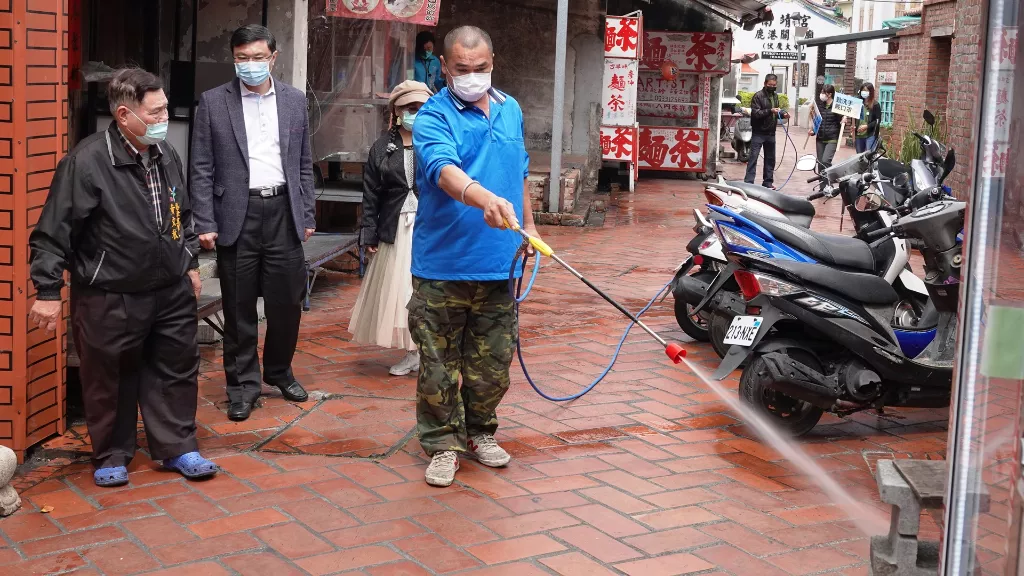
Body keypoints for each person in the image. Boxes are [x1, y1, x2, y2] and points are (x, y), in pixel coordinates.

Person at [28, 68, 217, 487]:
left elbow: (180, 214)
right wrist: (47, 291)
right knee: (108, 376)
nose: (165, 118)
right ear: (124, 115)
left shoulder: (166, 153)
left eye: (165, 108)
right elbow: (52, 231)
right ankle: (112, 454)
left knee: (175, 370)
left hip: (170, 289)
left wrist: (189, 262)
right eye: (156, 112)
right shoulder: (87, 162)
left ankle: (178, 447)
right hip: (109, 292)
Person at [411, 25, 539, 487]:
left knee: (492, 363)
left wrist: (530, 226)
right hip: (442, 266)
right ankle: (442, 443)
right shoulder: (433, 116)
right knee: (438, 364)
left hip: (499, 264)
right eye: (462, 68)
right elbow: (443, 171)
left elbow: (520, 171)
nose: (472, 75)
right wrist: (483, 198)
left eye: (480, 67)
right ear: (444, 67)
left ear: (493, 63)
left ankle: (481, 431)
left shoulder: (511, 109)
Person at [190, 24, 316, 422]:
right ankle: (242, 386)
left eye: (258, 57)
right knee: (239, 306)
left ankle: (279, 371)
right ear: (233, 58)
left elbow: (303, 162)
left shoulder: (294, 100)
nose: (250, 65)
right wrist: (204, 220)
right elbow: (201, 167)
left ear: (273, 58)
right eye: (242, 58)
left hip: (283, 211)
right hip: (235, 215)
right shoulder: (214, 102)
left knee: (287, 303)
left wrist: (307, 212)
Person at [349, 80, 433, 376]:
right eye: (409, 108)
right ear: (396, 111)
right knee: (401, 290)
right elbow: (371, 194)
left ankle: (433, 351)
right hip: (396, 229)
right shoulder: (382, 148)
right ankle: (413, 352)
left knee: (432, 289)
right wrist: (369, 232)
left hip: (431, 228)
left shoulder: (436, 141)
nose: (414, 113)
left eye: (420, 108)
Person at [745, 74, 789, 188]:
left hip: (771, 133)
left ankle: (768, 182)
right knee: (753, 158)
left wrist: (783, 114)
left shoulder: (775, 96)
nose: (772, 87)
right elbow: (756, 113)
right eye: (770, 85)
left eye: (774, 85)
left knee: (770, 159)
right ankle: (749, 183)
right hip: (758, 132)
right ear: (765, 84)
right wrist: (770, 111)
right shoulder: (758, 96)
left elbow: (776, 112)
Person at [810, 84, 845, 169]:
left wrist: (843, 120)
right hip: (820, 138)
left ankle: (829, 176)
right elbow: (817, 122)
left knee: (825, 161)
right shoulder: (820, 105)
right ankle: (822, 178)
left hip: (832, 138)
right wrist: (813, 131)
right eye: (821, 92)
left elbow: (841, 122)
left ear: (829, 94)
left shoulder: (837, 107)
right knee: (820, 163)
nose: (821, 94)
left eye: (823, 92)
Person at [856, 82, 882, 153]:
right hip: (859, 135)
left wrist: (867, 126)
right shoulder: (858, 103)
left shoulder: (875, 105)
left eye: (866, 90)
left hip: (870, 135)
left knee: (869, 155)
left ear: (870, 92)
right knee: (859, 156)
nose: (864, 92)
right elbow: (854, 117)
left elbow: (878, 121)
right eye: (863, 90)